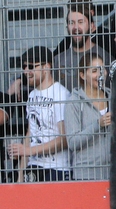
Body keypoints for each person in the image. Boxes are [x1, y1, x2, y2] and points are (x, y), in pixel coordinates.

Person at [6, 47, 70, 182]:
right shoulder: (32, 95)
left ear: (46, 67)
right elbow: (30, 134)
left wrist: (28, 151)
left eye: (30, 67)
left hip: (56, 168)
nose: (26, 71)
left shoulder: (61, 94)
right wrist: (20, 175)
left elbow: (64, 139)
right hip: (34, 167)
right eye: (24, 67)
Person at [65, 54, 112, 181]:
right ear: (82, 75)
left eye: (102, 69)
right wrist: (98, 125)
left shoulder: (113, 97)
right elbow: (72, 143)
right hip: (86, 174)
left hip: (114, 172)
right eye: (94, 71)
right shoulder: (73, 102)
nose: (100, 75)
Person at [53, 0, 110, 91]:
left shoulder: (105, 58)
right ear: (67, 27)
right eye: (71, 23)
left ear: (91, 26)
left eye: (80, 22)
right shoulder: (58, 60)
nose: (76, 27)